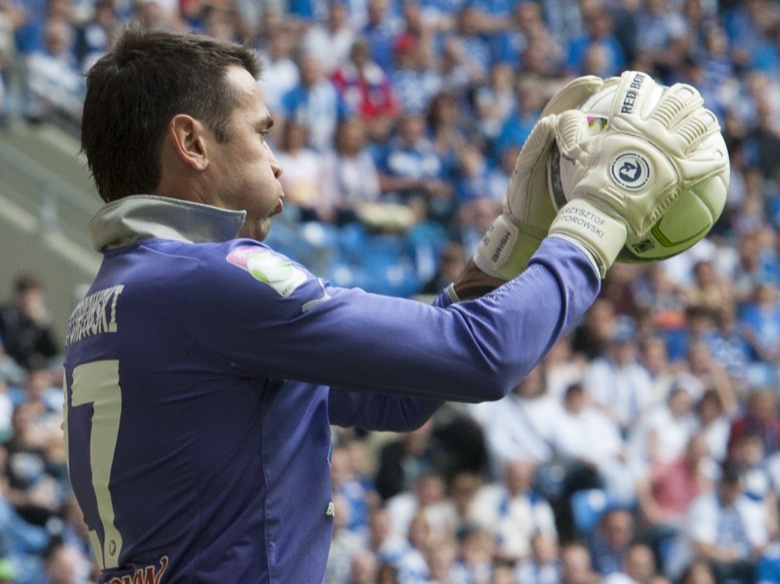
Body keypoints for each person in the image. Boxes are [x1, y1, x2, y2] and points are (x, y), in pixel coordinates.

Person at [63, 25, 725, 583]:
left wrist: (512, 242)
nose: (277, 159)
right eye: (261, 133)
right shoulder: (216, 279)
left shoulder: (117, 294)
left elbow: (397, 396)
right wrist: (599, 215)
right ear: (193, 143)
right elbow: (480, 357)